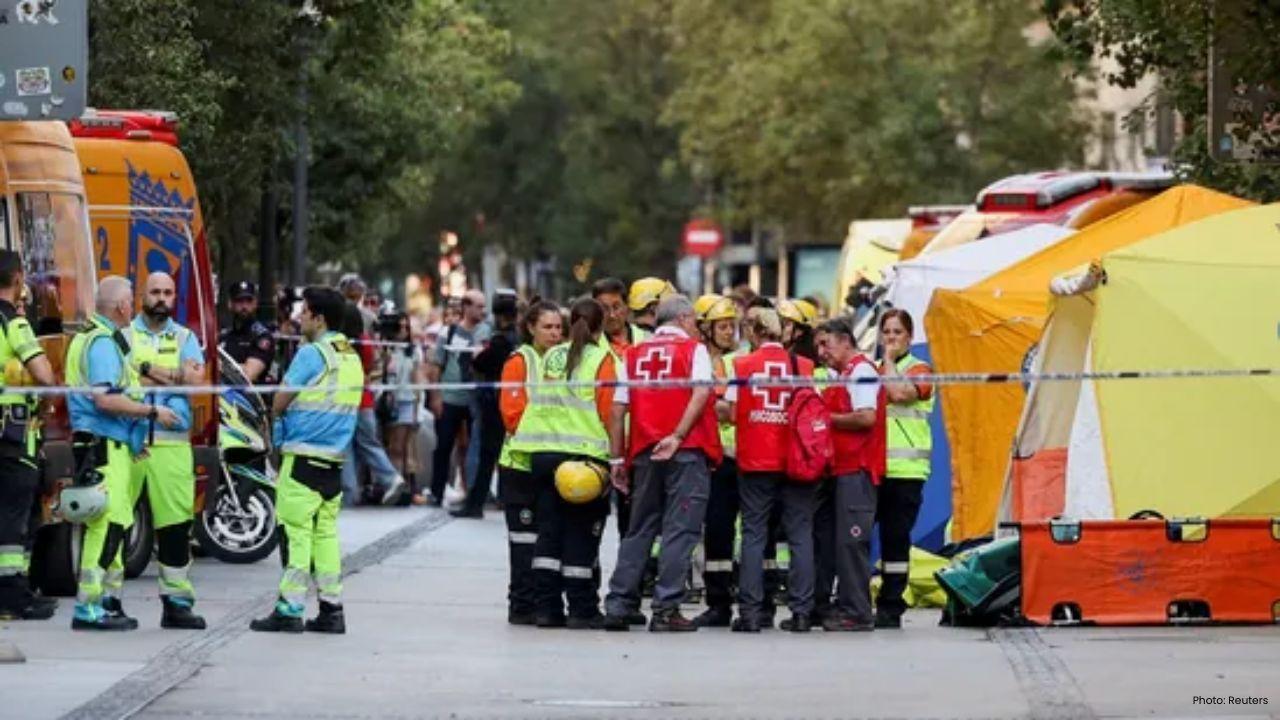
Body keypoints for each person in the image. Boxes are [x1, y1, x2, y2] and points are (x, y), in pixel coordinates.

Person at [65, 276, 181, 631]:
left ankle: (104, 601)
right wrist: (151, 413)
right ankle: (88, 606)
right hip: (104, 444)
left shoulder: (94, 338)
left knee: (114, 522)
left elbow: (119, 385)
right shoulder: (101, 343)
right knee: (107, 523)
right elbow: (104, 398)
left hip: (110, 444)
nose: (133, 308)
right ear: (120, 307)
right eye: (131, 301)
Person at [603, 295, 721, 632]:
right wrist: (679, 435)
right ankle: (666, 608)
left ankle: (619, 604)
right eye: (694, 320)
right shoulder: (693, 351)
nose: (696, 327)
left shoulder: (634, 354)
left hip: (645, 452)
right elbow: (701, 393)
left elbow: (617, 410)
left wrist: (617, 458)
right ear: (683, 318)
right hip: (686, 450)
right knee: (680, 531)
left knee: (639, 529)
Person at [251, 287, 364, 634]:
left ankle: (289, 609)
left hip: (302, 457)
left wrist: (277, 421)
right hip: (333, 459)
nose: (298, 318)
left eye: (304, 313)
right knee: (325, 536)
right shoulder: (350, 356)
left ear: (319, 318)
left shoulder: (312, 354)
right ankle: (332, 609)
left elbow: (280, 400)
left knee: (295, 534)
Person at [509, 299, 616, 629]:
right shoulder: (602, 359)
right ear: (600, 327)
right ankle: (582, 609)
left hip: (542, 456)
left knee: (549, 535)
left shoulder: (551, 356)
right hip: (583, 460)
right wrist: (618, 456)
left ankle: (547, 608)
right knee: (581, 535)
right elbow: (610, 411)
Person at [720, 307, 817, 633]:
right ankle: (802, 611)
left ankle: (750, 612)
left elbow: (732, 414)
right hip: (795, 460)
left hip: (756, 460)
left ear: (754, 331)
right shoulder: (803, 367)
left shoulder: (743, 365)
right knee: (801, 535)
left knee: (753, 534)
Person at [122, 272, 208, 630]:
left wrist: (145, 371)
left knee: (175, 528)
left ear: (175, 298)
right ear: (143, 295)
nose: (161, 298)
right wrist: (172, 374)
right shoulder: (125, 335)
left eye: (168, 293)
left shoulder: (186, 336)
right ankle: (105, 601)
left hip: (172, 447)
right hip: (130, 441)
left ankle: (177, 604)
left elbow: (195, 381)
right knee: (115, 524)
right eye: (155, 292)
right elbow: (122, 379)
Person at [814, 317, 885, 632]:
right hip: (842, 470)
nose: (821, 352)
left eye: (825, 344)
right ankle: (847, 606)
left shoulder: (862, 372)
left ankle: (857, 611)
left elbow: (866, 418)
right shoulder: (843, 375)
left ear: (845, 340)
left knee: (852, 542)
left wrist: (826, 419)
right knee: (841, 542)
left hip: (857, 469)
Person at [497, 300, 563, 625]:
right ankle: (521, 604)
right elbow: (512, 415)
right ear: (531, 328)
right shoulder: (520, 361)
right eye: (547, 327)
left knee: (548, 539)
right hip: (520, 465)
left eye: (558, 327)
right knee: (524, 541)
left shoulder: (564, 362)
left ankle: (542, 602)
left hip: (552, 465)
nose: (554, 333)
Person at [0, 251, 58, 621]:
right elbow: (45, 375)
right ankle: (12, 595)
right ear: (18, 279)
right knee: (13, 520)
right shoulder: (14, 324)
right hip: (12, 433)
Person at [875, 309, 934, 629]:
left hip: (907, 471)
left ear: (909, 338)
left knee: (895, 540)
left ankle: (891, 606)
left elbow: (899, 393)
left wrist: (887, 359)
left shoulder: (921, 369)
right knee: (856, 537)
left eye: (897, 332)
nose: (891, 338)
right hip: (875, 469)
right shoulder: (873, 369)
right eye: (886, 332)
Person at [690, 294, 742, 628]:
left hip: (739, 456)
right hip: (711, 455)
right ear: (705, 328)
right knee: (715, 532)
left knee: (735, 531)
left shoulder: (740, 361)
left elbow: (730, 410)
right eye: (722, 326)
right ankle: (718, 602)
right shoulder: (699, 361)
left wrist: (711, 405)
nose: (729, 332)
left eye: (732, 326)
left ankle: (738, 599)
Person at [591, 277, 649, 539]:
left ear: (627, 307)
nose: (612, 315)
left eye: (617, 306)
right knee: (592, 521)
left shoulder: (648, 342)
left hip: (639, 444)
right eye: (604, 308)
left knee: (634, 521)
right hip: (598, 444)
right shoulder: (589, 347)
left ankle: (636, 576)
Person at [456, 291, 519, 518]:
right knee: (504, 454)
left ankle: (475, 504)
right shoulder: (517, 338)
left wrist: (474, 358)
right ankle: (499, 499)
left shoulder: (501, 340)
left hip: (495, 403)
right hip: (510, 400)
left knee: (488, 455)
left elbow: (482, 363)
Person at [426, 289, 488, 506]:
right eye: (479, 306)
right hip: (450, 398)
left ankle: (472, 492)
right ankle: (437, 492)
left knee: (472, 447)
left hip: (474, 400)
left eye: (484, 306)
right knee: (443, 446)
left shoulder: (485, 332)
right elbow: (436, 366)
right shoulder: (448, 333)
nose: (483, 311)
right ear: (466, 307)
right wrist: (435, 397)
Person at [340, 302, 406, 505]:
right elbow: (368, 369)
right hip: (365, 401)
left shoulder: (341, 344)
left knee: (351, 447)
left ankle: (388, 478)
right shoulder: (365, 342)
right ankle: (351, 494)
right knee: (362, 444)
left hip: (347, 402)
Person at [377, 310, 427, 502]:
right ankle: (391, 483)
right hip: (388, 401)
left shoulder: (412, 351)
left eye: (407, 327)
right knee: (391, 445)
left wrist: (416, 409)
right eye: (401, 326)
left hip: (406, 401)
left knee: (402, 447)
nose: (404, 330)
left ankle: (402, 486)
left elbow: (416, 380)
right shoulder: (384, 348)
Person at [219, 280, 274, 383]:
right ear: (230, 304)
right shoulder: (223, 335)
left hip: (250, 397)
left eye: (249, 301)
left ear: (255, 304)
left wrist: (220, 367)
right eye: (239, 301)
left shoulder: (262, 336)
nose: (244, 306)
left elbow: (248, 375)